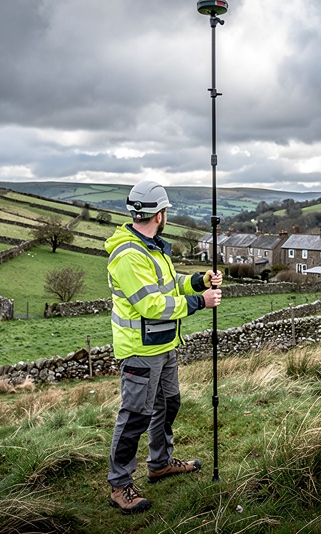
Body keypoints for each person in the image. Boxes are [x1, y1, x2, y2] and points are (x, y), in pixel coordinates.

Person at [105, 180, 223, 514]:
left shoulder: (151, 246)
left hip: (164, 344)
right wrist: (202, 300)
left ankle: (160, 463)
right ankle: (120, 485)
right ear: (160, 214)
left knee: (169, 404)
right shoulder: (129, 255)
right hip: (140, 350)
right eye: (166, 210)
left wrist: (199, 280)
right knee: (135, 417)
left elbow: (170, 287)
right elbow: (153, 305)